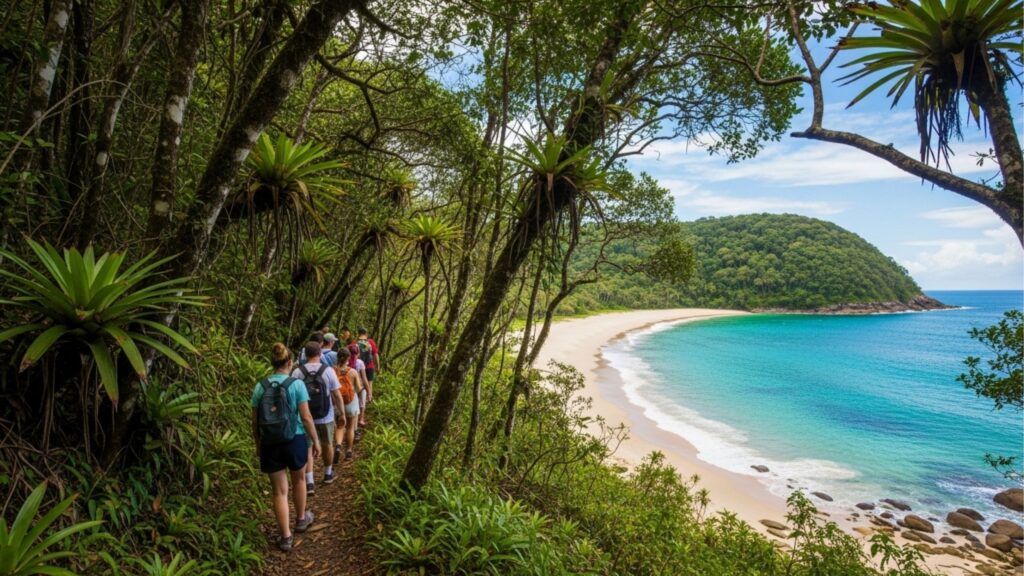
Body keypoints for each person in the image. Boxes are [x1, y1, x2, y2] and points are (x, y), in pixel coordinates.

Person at [251, 343, 320, 552]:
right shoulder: (296, 385)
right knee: (299, 480)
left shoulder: (260, 386)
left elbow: (254, 421)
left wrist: (258, 444)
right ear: (290, 362)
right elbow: (306, 417)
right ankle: (300, 519)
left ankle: (286, 537)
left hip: (270, 443)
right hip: (295, 439)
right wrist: (315, 440)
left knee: (279, 492)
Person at [295, 341, 343, 494]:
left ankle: (309, 483)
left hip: (304, 417)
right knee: (327, 443)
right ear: (320, 354)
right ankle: (328, 473)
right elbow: (336, 394)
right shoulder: (328, 371)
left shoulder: (298, 372)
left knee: (308, 448)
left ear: (305, 354)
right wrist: (341, 413)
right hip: (326, 415)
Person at [332, 346, 361, 462]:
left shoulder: (332, 371)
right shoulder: (352, 372)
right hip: (350, 401)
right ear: (348, 358)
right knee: (350, 427)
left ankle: (338, 445)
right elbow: (358, 389)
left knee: (339, 426)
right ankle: (348, 451)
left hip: (337, 403)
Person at [351, 345, 370, 428]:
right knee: (362, 403)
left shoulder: (345, 362)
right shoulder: (360, 362)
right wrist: (369, 392)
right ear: (358, 353)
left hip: (350, 388)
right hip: (360, 387)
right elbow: (364, 378)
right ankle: (361, 419)